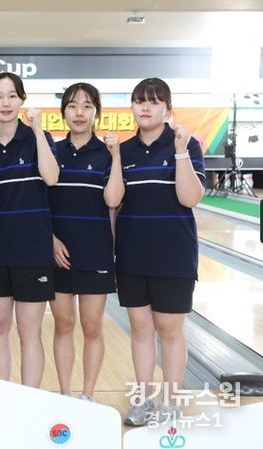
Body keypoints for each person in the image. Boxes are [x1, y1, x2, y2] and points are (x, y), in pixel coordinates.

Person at [116, 78, 205, 426]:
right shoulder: (124, 150)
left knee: (169, 330)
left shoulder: (187, 144)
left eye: (154, 102)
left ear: (168, 109)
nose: (146, 107)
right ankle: (144, 400)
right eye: (140, 101)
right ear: (132, 107)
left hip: (174, 254)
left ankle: (171, 402)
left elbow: (190, 198)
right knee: (140, 329)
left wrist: (180, 151)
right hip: (132, 254)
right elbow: (115, 204)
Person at [0, 72, 59, 387]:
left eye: (12, 95)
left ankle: (29, 399)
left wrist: (37, 130)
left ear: (22, 99)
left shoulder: (39, 139)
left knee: (29, 331)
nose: (6, 102)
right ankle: (2, 396)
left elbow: (51, 177)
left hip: (33, 253)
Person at [48, 82, 124, 402]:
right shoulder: (52, 152)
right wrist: (50, 240)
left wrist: (116, 157)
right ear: (63, 112)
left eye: (87, 106)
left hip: (95, 252)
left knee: (92, 326)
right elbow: (40, 203)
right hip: (58, 253)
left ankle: (88, 395)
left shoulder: (107, 154)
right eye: (72, 105)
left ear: (97, 112)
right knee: (63, 324)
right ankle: (66, 393)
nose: (79, 112)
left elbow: (114, 203)